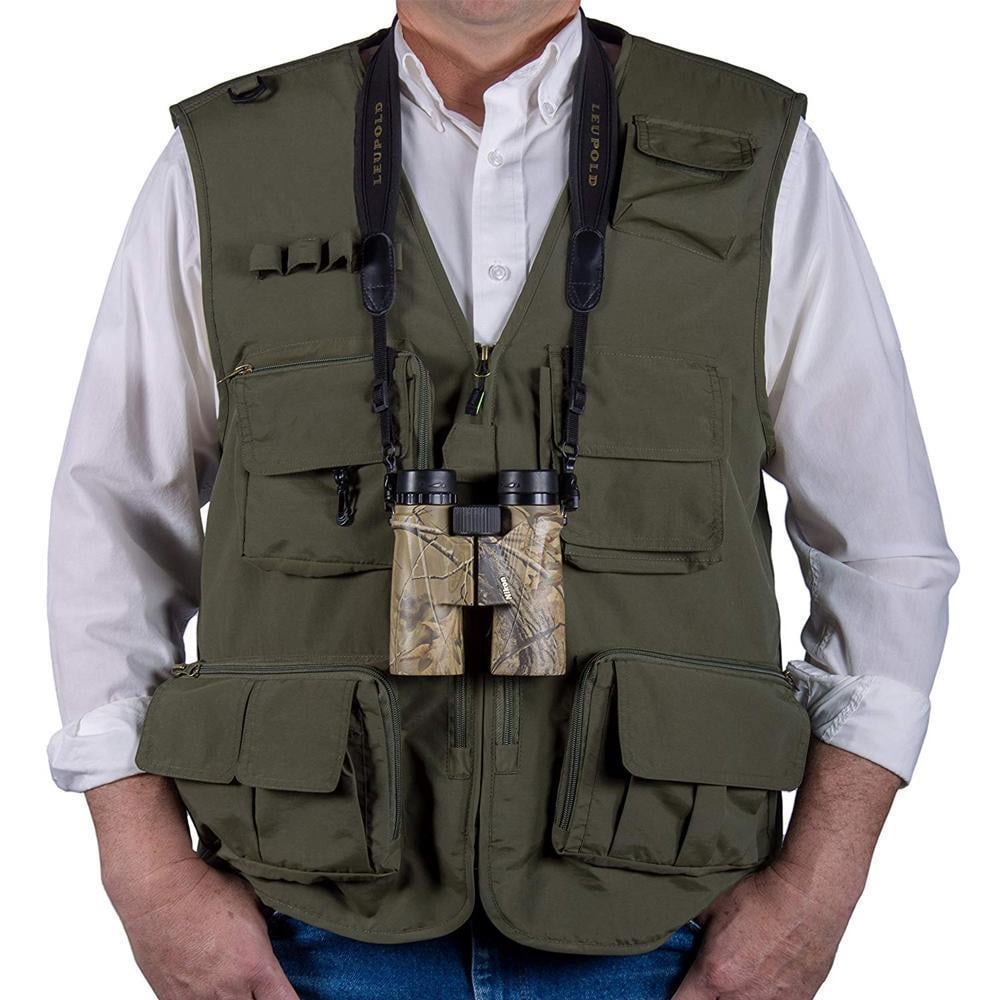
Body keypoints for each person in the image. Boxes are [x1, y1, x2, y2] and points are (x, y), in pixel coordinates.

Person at [47, 2, 958, 998]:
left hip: (665, 926)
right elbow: (110, 528)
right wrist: (147, 877)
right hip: (299, 921)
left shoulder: (755, 153)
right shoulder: (227, 159)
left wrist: (817, 892)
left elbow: (886, 550)